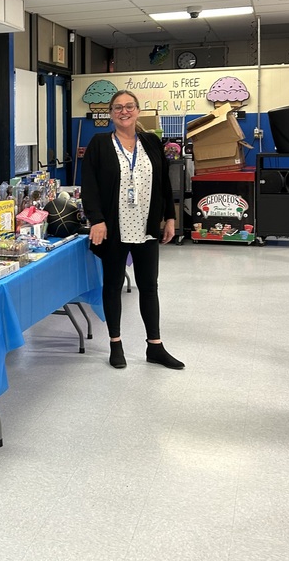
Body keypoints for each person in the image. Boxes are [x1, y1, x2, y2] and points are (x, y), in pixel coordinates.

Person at [81, 90, 184, 370]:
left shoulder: (151, 141)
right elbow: (88, 186)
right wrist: (97, 220)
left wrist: (170, 218)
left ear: (138, 110)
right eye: (117, 108)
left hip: (146, 226)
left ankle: (155, 347)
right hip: (114, 229)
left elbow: (163, 184)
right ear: (111, 113)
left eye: (129, 106)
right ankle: (116, 344)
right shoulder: (100, 143)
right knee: (113, 286)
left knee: (149, 287)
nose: (123, 111)